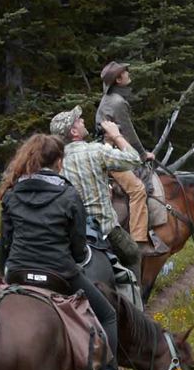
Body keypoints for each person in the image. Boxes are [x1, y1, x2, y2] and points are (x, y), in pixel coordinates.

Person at [0, 134, 133, 370]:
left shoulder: (12, 194)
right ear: (59, 162)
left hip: (19, 274)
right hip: (59, 274)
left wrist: (3, 274)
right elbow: (79, 250)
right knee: (107, 317)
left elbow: (5, 246)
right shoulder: (69, 194)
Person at [50, 105, 145, 282]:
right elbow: (134, 159)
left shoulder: (57, 160)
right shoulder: (95, 151)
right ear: (74, 131)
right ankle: (135, 304)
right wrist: (116, 135)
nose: (83, 120)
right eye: (78, 121)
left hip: (72, 231)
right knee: (132, 254)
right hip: (104, 229)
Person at [96, 61, 164, 255]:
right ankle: (138, 241)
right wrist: (143, 155)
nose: (128, 73)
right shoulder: (118, 102)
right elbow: (129, 132)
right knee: (138, 189)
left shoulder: (110, 98)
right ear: (119, 79)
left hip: (108, 149)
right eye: (125, 72)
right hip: (112, 154)